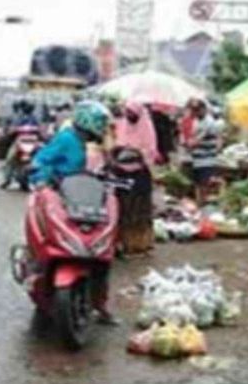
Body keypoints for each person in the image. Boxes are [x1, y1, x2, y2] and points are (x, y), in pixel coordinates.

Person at [29, 100, 117, 324]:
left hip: (77, 195)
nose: (103, 128)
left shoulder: (80, 141)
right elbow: (41, 160)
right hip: (59, 195)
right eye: (101, 123)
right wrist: (41, 179)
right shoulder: (66, 139)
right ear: (90, 121)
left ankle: (100, 302)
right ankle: (38, 276)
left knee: (102, 250)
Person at [111, 102, 159, 255]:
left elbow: (150, 152)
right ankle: (124, 243)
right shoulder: (122, 126)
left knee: (140, 210)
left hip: (140, 175)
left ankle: (141, 244)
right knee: (124, 209)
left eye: (132, 113)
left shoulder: (147, 129)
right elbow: (116, 145)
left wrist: (135, 152)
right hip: (121, 174)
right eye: (128, 112)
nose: (129, 116)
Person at [186, 100, 222, 204]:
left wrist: (190, 144)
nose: (195, 113)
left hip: (207, 159)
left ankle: (202, 203)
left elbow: (198, 139)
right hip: (198, 158)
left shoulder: (209, 122)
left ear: (203, 109)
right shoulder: (197, 121)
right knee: (198, 183)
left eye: (197, 110)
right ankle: (199, 202)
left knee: (204, 183)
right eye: (193, 110)